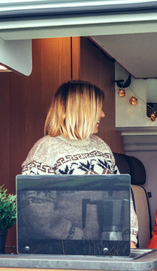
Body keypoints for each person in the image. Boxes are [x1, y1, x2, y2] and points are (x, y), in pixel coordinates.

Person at [21, 80, 138, 247]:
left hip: (104, 249)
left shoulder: (102, 147)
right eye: (98, 109)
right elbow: (36, 212)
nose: (103, 114)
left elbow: (121, 196)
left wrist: (129, 237)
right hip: (63, 251)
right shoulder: (45, 149)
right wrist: (79, 237)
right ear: (81, 110)